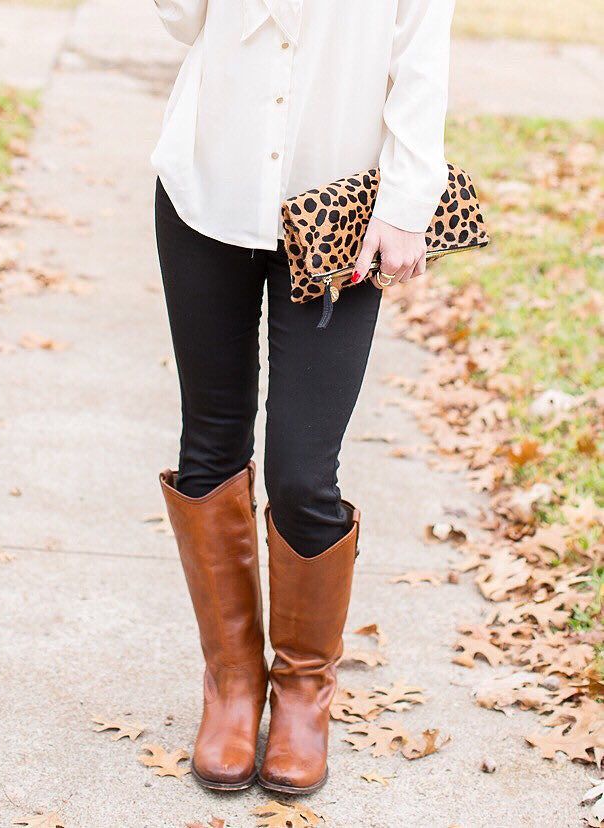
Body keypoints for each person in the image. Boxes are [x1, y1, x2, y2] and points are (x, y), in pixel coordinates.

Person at [152, 0, 454, 795]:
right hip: (207, 188)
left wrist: (405, 203)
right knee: (208, 450)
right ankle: (231, 683)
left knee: (301, 470)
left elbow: (422, 60)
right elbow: (182, 23)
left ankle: (301, 690)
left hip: (341, 213)